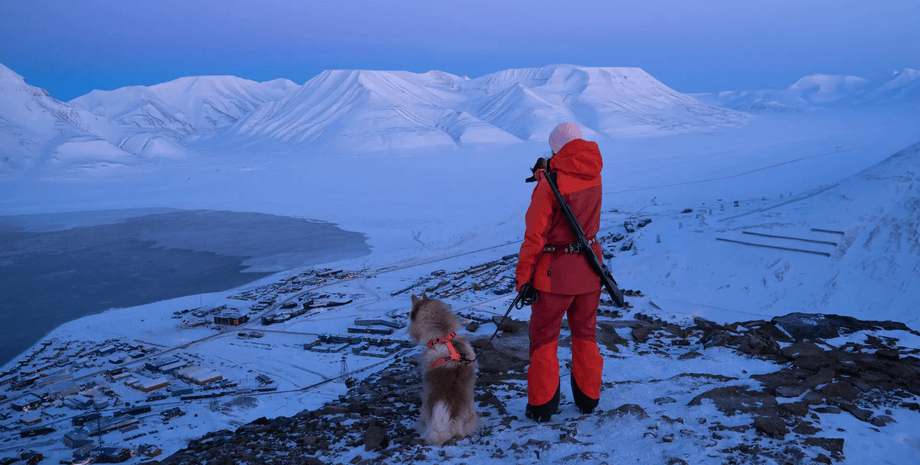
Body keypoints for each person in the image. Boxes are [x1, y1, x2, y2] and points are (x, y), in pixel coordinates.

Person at [515, 122, 605, 423]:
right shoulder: (594, 173)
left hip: (555, 276)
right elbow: (568, 181)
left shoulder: (549, 186)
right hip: (592, 270)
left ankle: (542, 407)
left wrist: (524, 279)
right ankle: (588, 399)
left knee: (544, 339)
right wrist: (546, 174)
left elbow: (535, 238)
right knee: (585, 335)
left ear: (554, 149)